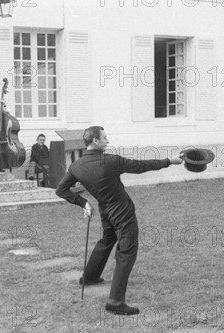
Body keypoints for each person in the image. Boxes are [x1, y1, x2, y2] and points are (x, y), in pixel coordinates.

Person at [56, 126, 183, 316]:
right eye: (105, 138)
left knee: (107, 240)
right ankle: (115, 301)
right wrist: (169, 161)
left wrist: (83, 203)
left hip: (105, 208)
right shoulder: (111, 161)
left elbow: (61, 190)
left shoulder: (76, 166)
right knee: (126, 250)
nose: (108, 141)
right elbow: (141, 166)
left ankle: (89, 277)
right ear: (96, 141)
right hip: (122, 210)